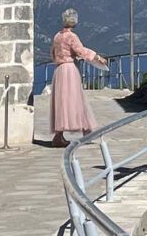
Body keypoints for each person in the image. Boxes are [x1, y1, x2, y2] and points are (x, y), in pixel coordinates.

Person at [46, 9, 108, 147]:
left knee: (61, 102)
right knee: (76, 99)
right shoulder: (72, 37)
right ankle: (86, 130)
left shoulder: (57, 36)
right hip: (69, 69)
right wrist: (97, 57)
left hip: (59, 70)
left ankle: (58, 135)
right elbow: (81, 51)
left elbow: (52, 52)